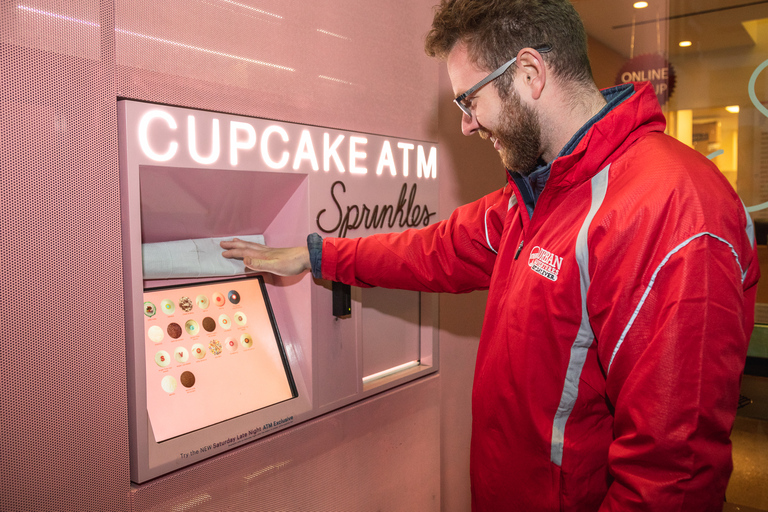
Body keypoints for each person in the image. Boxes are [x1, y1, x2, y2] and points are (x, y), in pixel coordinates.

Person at [221, 0, 759, 510]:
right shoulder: (540, 191)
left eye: (469, 100)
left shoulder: (675, 209)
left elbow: (672, 475)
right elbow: (435, 250)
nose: (467, 123)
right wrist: (317, 256)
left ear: (529, 73)